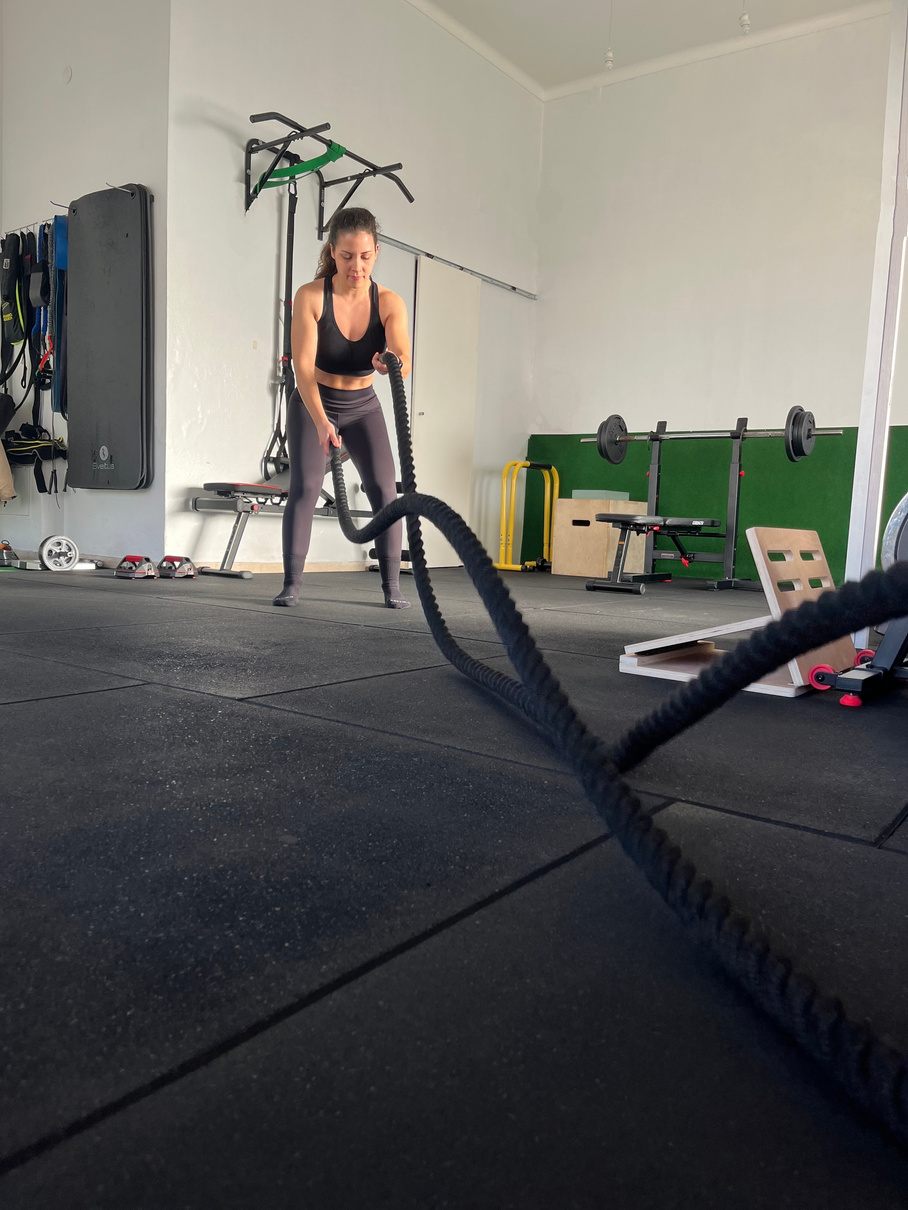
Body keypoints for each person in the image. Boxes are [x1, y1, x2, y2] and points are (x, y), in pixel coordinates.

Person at [273, 207, 412, 608]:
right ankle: (291, 584)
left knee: (385, 490)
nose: (357, 266)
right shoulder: (311, 296)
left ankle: (392, 587)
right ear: (333, 251)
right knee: (305, 488)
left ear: (376, 252)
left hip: (363, 405)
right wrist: (321, 422)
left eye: (365, 256)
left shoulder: (389, 301)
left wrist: (390, 362)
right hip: (313, 401)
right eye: (348, 256)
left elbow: (403, 355)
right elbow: (302, 368)